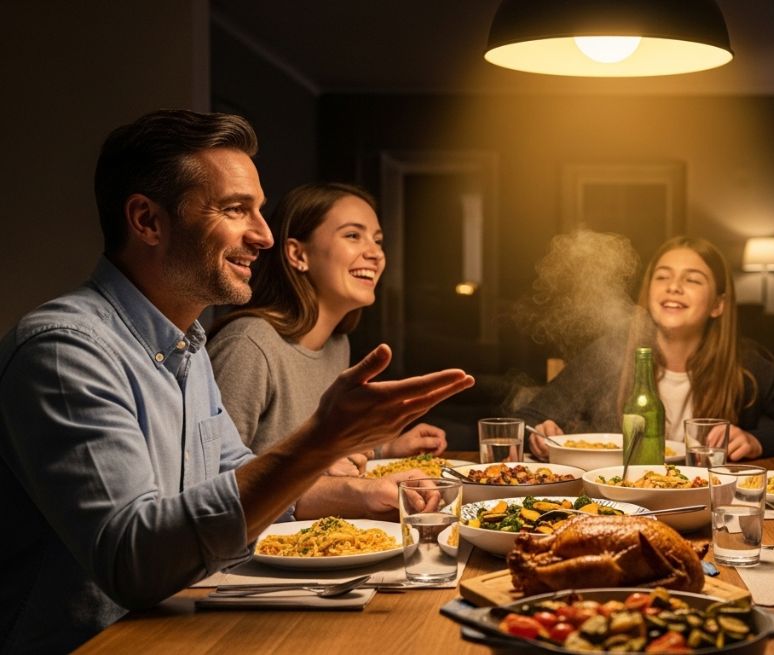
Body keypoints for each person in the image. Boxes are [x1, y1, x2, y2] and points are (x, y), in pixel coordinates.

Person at [0, 109, 474, 652]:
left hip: (183, 625)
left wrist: (365, 495)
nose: (265, 236)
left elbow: (237, 476)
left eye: (260, 211)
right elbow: (132, 565)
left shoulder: (188, 347)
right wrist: (324, 440)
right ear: (147, 221)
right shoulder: (65, 350)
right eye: (235, 210)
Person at [207, 183, 448, 479]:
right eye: (353, 236)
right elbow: (210, 477)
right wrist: (313, 467)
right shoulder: (249, 344)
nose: (375, 254)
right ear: (297, 254)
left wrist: (387, 449)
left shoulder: (336, 344)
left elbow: (322, 451)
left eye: (378, 240)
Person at [521, 236, 774, 460]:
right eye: (662, 276)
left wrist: (757, 441)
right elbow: (527, 419)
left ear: (718, 305)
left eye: (692, 280)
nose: (673, 286)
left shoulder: (745, 364)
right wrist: (538, 433)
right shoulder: (609, 355)